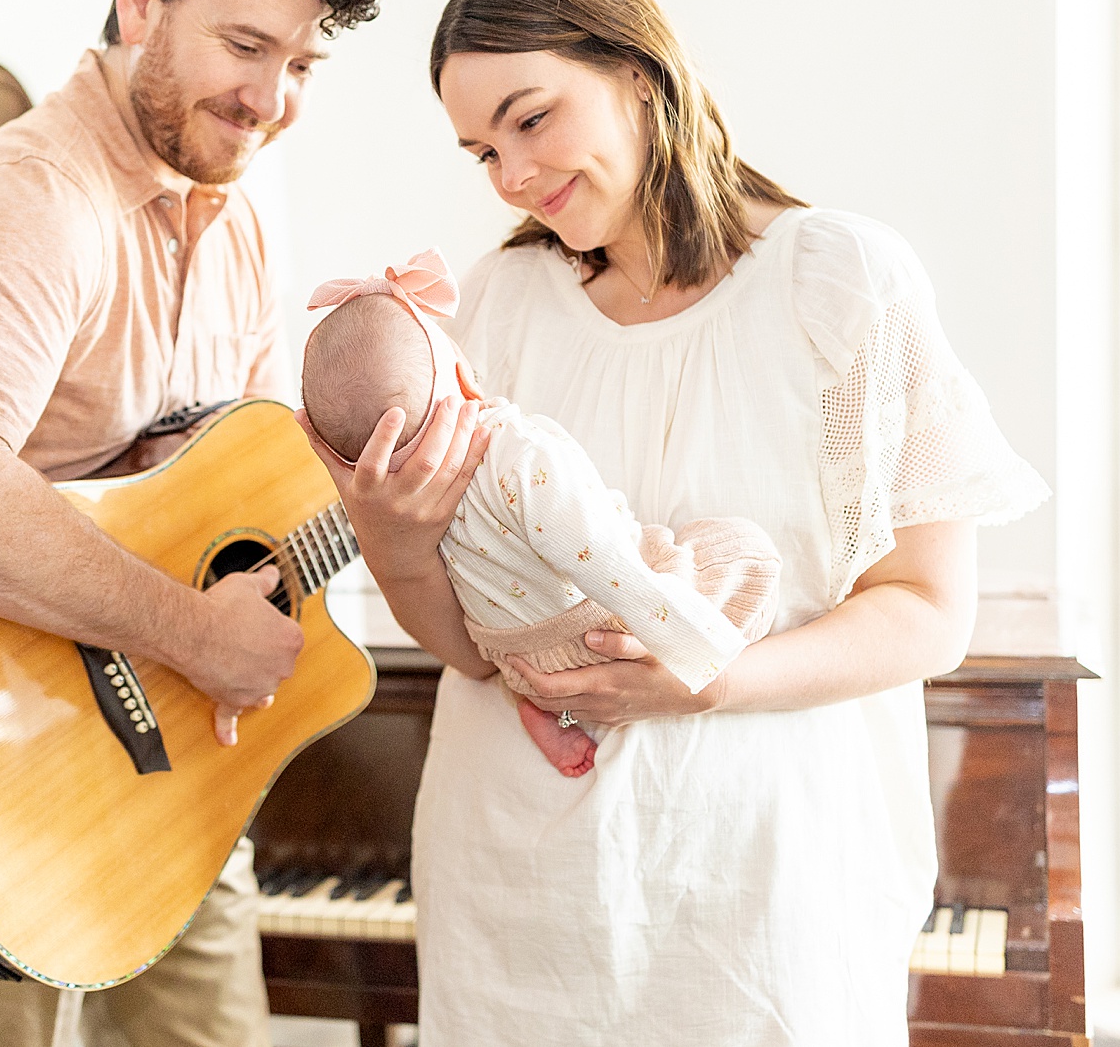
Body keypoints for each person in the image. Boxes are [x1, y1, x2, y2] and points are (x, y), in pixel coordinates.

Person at [301, 0, 1048, 1044]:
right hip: (521, 895)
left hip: (761, 899)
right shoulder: (494, 309)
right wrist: (397, 539)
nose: (511, 175)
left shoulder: (837, 283)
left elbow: (928, 612)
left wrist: (711, 682)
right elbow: (470, 647)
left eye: (531, 118)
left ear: (638, 79)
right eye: (478, 151)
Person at [0, 0, 388, 1047]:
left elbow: (256, 492)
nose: (272, 98)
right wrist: (192, 632)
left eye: (302, 63)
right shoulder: (28, 195)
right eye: (245, 48)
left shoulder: (242, 215)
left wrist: (389, 397)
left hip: (176, 785)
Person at [298, 249, 781, 776]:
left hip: (523, 665)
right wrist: (689, 648)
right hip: (606, 629)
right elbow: (603, 561)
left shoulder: (411, 503)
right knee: (735, 553)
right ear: (467, 378)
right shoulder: (518, 452)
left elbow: (473, 644)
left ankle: (543, 712)